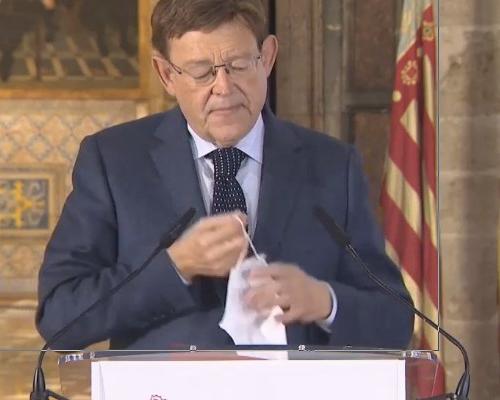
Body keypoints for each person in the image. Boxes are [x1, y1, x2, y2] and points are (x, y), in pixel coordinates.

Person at [36, 0, 414, 351]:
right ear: (166, 75)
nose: (224, 88)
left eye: (238, 65)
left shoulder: (332, 165)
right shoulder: (114, 161)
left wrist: (325, 301)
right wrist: (175, 267)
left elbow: (396, 320)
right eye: (201, 72)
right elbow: (59, 318)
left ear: (267, 57)